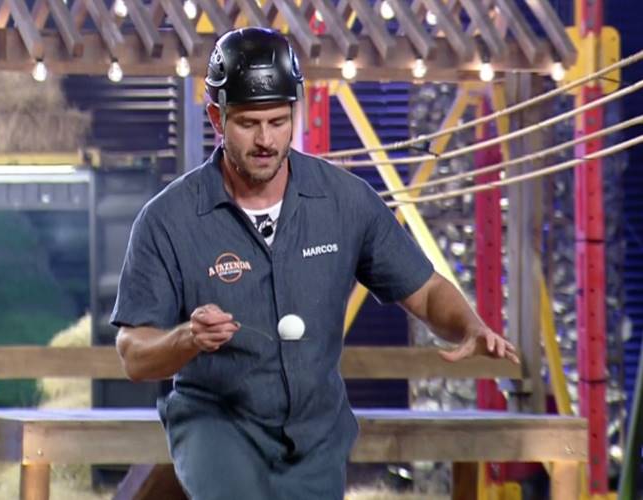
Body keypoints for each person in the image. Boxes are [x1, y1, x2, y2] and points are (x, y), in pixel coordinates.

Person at [112, 27, 519, 500]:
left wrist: (468, 325)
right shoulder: (167, 220)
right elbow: (134, 353)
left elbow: (425, 290)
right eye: (248, 123)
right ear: (217, 118)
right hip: (216, 425)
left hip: (316, 436)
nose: (266, 139)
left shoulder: (344, 201)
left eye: (278, 121)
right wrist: (187, 338)